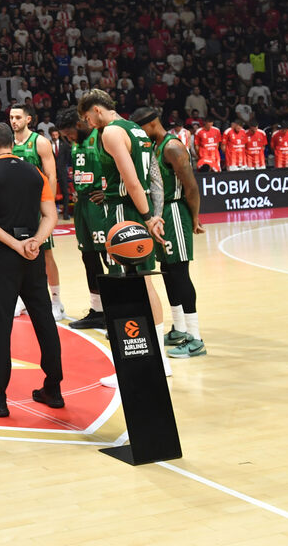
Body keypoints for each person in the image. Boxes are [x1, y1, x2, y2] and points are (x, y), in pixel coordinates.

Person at [78, 89, 172, 387]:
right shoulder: (136, 129)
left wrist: (146, 216)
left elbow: (131, 181)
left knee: (126, 289)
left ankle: (136, 363)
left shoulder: (112, 133)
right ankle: (160, 360)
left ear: (95, 110)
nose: (88, 123)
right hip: (140, 209)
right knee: (145, 282)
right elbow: (153, 176)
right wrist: (154, 214)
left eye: (87, 117)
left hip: (124, 212)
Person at [0, 123, 63, 418]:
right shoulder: (34, 172)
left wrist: (14, 244)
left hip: (3, 256)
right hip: (33, 254)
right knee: (45, 320)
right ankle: (54, 389)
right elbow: (51, 215)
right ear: (12, 143)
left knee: (0, 326)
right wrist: (35, 241)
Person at [133, 108, 206, 359]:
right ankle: (179, 329)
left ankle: (196, 338)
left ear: (152, 123)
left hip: (176, 213)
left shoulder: (172, 147)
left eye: (141, 128)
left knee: (180, 274)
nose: (139, 134)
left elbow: (191, 186)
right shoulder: (154, 146)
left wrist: (195, 219)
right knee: (167, 273)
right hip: (161, 215)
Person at [9, 103, 64, 319]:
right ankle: (21, 299)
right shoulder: (7, 143)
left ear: (29, 119)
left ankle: (57, 301)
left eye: (18, 117)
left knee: (46, 255)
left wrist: (47, 207)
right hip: (15, 209)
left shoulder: (40, 142)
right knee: (17, 254)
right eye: (11, 117)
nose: (14, 121)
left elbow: (51, 176)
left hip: (37, 208)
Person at [55, 108, 108, 330]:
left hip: (101, 204)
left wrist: (109, 191)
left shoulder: (103, 136)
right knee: (88, 257)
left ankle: (118, 310)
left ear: (78, 124)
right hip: (83, 204)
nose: (68, 139)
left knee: (111, 257)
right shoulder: (75, 143)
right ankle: (97, 310)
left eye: (68, 134)